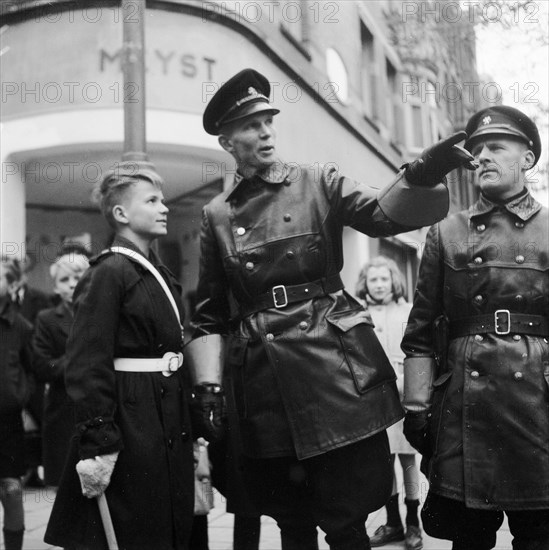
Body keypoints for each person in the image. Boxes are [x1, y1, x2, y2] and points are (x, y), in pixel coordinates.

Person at [185, 68, 477, 550]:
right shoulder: (217, 215)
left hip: (334, 373)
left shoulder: (318, 181)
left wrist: (422, 173)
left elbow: (383, 216)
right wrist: (209, 389)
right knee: (290, 520)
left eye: (268, 122)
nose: (264, 132)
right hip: (264, 382)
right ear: (227, 141)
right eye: (250, 126)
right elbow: (210, 313)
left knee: (345, 519)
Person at [401, 105, 549, 550]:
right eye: (478, 149)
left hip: (539, 404)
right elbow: (421, 331)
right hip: (464, 405)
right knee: (469, 537)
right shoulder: (446, 232)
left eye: (496, 147)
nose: (482, 156)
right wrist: (415, 405)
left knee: (539, 536)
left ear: (526, 158)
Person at [44, 162, 195, 550]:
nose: (164, 208)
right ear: (121, 213)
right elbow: (86, 362)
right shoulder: (108, 271)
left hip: (166, 416)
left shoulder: (158, 273)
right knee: (137, 529)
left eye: (163, 200)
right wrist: (99, 441)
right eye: (152, 200)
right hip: (131, 421)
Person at [355, 257, 422, 550]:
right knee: (383, 460)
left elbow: (419, 353)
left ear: (393, 280)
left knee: (407, 459)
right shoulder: (359, 315)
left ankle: (413, 524)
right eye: (373, 280)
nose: (380, 285)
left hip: (403, 396)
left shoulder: (408, 311)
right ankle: (392, 521)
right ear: (365, 284)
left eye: (384, 279)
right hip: (373, 398)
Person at [32, 247, 90, 486]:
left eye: (78, 278)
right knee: (65, 487)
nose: (72, 285)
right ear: (55, 287)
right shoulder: (46, 319)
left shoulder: (101, 314)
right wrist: (80, 356)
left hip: (97, 408)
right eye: (64, 280)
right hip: (62, 413)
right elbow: (43, 366)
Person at [11, 254, 53, 489]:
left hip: (33, 372)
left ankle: (38, 469)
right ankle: (21, 469)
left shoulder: (40, 299)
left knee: (41, 421)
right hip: (11, 374)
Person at [0, 256, 33, 550]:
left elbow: (32, 369)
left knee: (11, 490)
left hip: (8, 424)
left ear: (12, 285)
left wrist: (20, 396)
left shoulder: (21, 326)